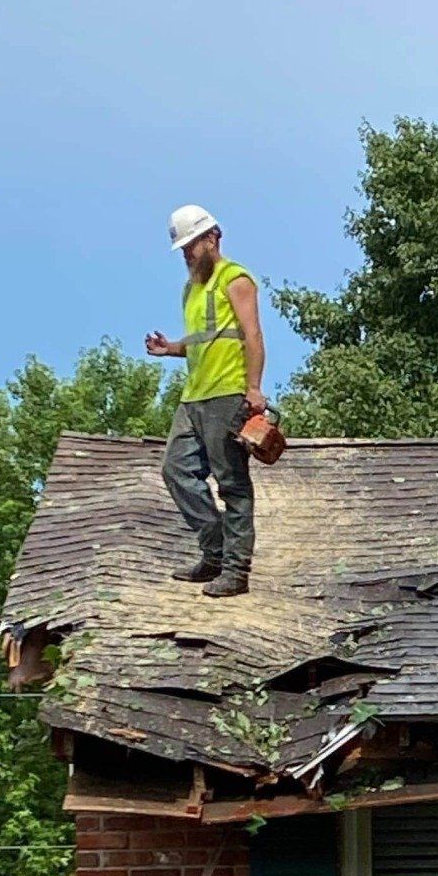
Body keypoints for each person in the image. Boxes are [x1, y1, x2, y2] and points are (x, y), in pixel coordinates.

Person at [146, 204, 271, 599]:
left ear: (211, 239)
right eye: (182, 247)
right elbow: (206, 341)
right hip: (194, 396)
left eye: (190, 245)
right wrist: (171, 350)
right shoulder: (192, 289)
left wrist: (254, 390)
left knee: (232, 483)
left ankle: (235, 571)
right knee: (175, 470)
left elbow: (252, 335)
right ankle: (214, 552)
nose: (186, 253)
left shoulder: (236, 279)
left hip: (228, 394)